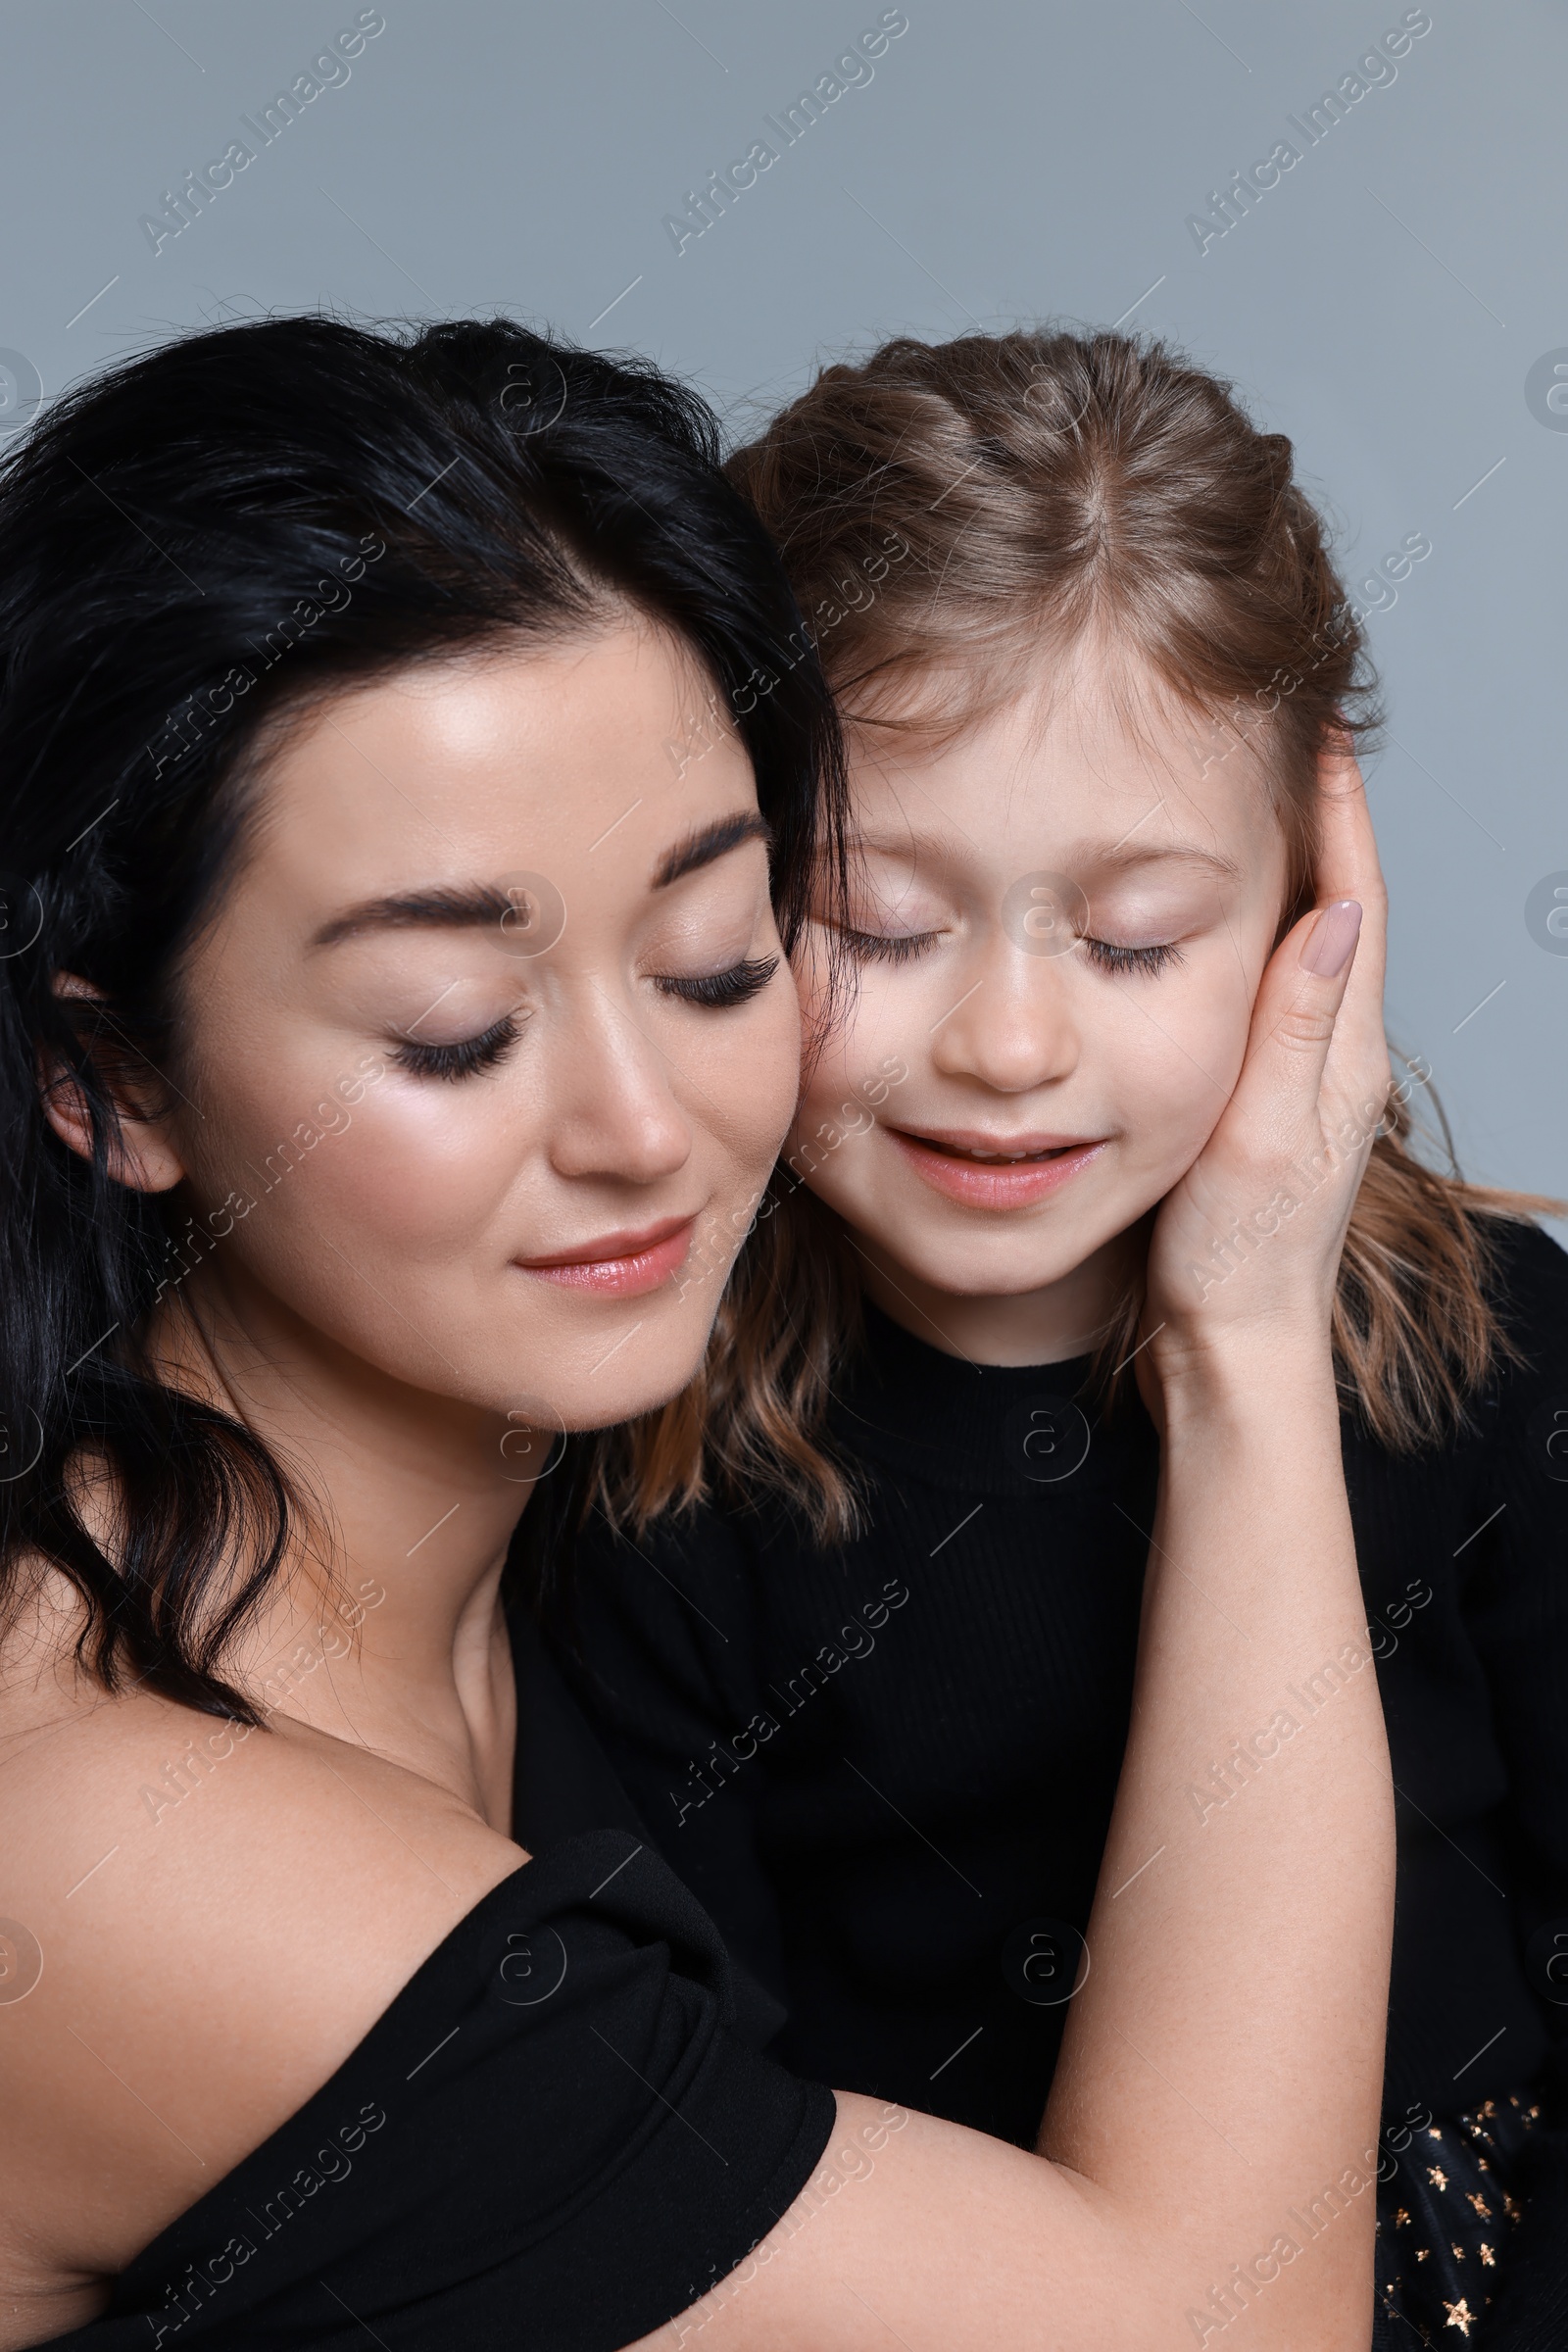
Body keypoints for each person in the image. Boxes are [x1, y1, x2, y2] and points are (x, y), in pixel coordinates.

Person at [0, 313, 1391, 2352]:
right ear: (105, 1083)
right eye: (457, 1034)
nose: (645, 1133)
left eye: (719, 960)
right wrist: (1248, 1330)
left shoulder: (589, 1546)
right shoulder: (119, 1843)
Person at [551, 329, 1568, 2351]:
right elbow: (703, 2164)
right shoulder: (641, 1481)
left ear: (1308, 897)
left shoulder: (1494, 1358)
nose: (1008, 1048)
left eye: (1127, 941)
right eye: (875, 919)